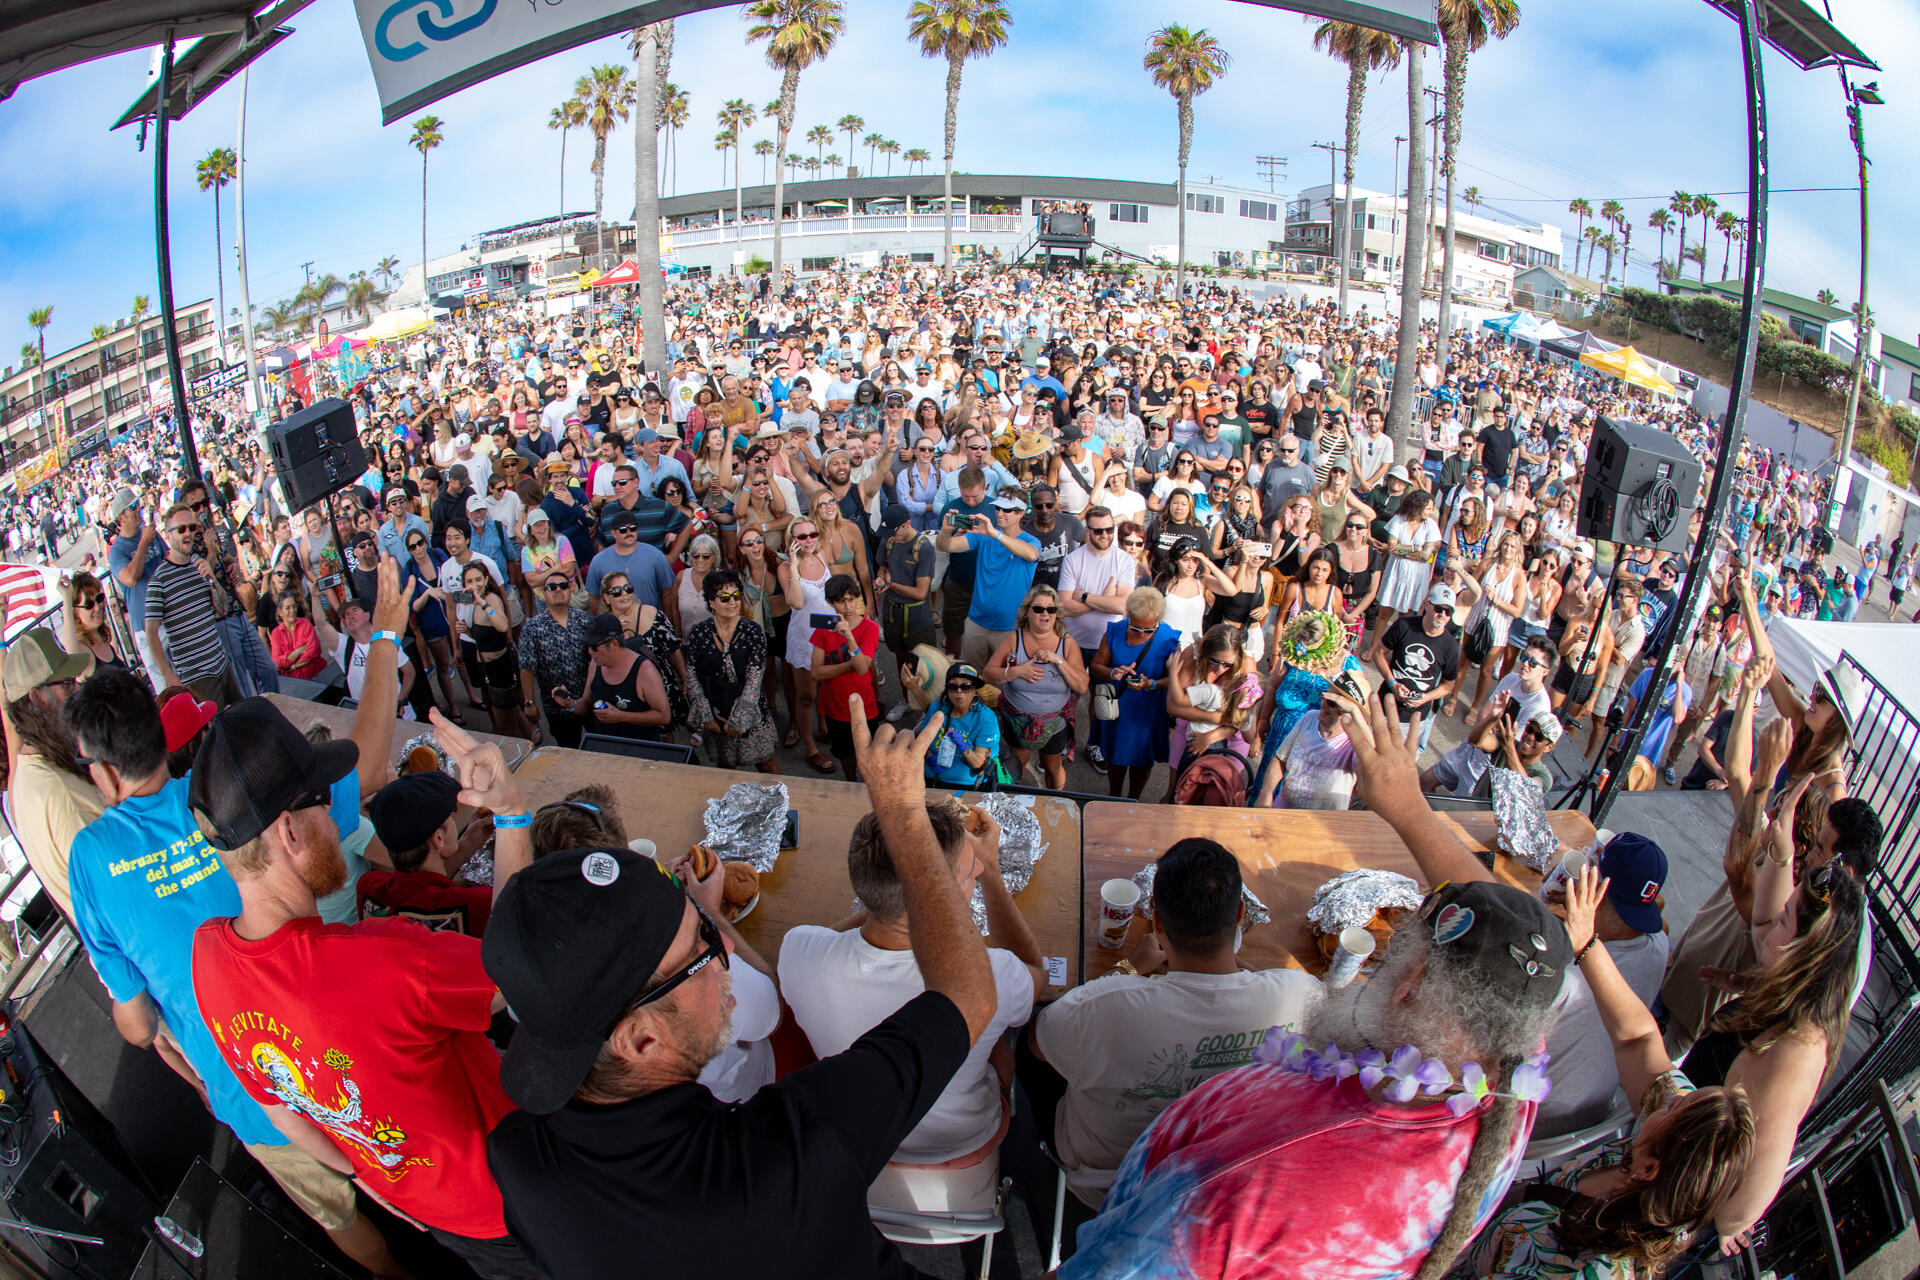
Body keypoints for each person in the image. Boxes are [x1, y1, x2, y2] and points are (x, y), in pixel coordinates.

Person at [1062, 688, 1571, 1280]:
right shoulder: (1512, 1067)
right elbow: (1504, 931)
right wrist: (1406, 808)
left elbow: (1110, 1268)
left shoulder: (1250, 1176)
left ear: (1408, 982)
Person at [483, 701, 1001, 1280]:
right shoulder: (788, 1149)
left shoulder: (519, 1158)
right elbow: (967, 998)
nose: (726, 950)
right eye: (703, 948)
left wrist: (510, 819)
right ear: (640, 1038)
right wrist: (904, 815)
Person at [64, 610, 409, 1278]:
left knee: (340, 1216)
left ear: (102, 772)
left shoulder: (91, 859)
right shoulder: (220, 793)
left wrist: (150, 1023)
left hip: (247, 1090)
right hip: (333, 1040)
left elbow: (136, 1025)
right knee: (398, 1168)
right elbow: (363, 765)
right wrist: (385, 636)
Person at [188, 699, 542, 1279]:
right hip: (509, 1195)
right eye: (324, 801)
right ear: (289, 832)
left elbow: (284, 1114)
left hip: (425, 1211)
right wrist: (511, 815)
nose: (337, 816)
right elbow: (515, 971)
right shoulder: (383, 957)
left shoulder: (207, 960)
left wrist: (369, 1177)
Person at [1459, 862, 1756, 1280]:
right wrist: (1587, 943)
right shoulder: (1661, 1151)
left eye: (1672, 1109)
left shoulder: (1588, 1270)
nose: (1669, 1096)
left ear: (1650, 1170)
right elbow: (1638, 1039)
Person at [1022, 837, 1321, 1209]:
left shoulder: (1100, 1008)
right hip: (1218, 1186)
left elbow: (1037, 1040)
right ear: (1241, 915)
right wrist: (1242, 969)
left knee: (1033, 1045)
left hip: (1109, 1189)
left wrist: (1129, 969)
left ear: (1157, 920)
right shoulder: (1300, 995)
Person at [780, 796, 1044, 1164]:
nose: (978, 874)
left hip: (854, 1134)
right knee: (1002, 1039)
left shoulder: (798, 951)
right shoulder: (993, 972)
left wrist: (881, 904)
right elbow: (1034, 972)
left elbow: (827, 937)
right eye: (972, 873)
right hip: (961, 1142)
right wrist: (993, 870)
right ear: (938, 900)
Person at [1533, 834, 1673, 1141]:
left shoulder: (1561, 977)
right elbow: (1659, 918)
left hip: (1532, 1123)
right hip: (1596, 1115)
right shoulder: (1658, 946)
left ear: (1596, 891)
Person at [2, 629, 100, 920]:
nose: (76, 692)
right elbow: (114, 887)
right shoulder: (62, 793)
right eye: (67, 684)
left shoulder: (28, 775)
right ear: (36, 697)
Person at [357, 769, 496, 935]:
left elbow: (420, 890)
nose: (453, 821)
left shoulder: (368, 888)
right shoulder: (479, 904)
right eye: (450, 817)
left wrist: (469, 842)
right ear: (438, 838)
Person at [987, 585, 1088, 790]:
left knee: (1052, 767)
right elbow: (988, 673)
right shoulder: (1014, 639)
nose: (1045, 614)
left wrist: (1058, 661)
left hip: (1054, 724)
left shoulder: (1066, 644)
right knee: (1017, 766)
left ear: (1057, 613)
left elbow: (1082, 685)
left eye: (1051, 609)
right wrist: (1016, 672)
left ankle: (1054, 801)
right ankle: (1016, 805)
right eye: (1038, 609)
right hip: (1017, 721)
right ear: (1027, 612)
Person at [684, 569, 780, 773]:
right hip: (715, 713)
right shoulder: (698, 632)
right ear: (711, 601)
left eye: (736, 596)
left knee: (767, 764)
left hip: (750, 710)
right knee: (726, 767)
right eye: (725, 597)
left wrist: (739, 720)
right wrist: (707, 717)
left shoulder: (752, 630)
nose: (733, 602)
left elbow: (755, 679)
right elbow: (691, 676)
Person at [146, 501, 241, 705]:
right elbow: (150, 632)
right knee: (215, 732)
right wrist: (167, 674)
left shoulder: (199, 564)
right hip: (196, 677)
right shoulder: (159, 580)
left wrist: (213, 579)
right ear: (168, 534)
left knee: (241, 718)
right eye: (181, 529)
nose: (188, 533)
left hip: (221, 662)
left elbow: (222, 607)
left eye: (192, 527)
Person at [1090, 587, 1181, 799]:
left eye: (1148, 630)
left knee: (1142, 758)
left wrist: (1151, 684)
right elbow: (1096, 666)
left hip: (1147, 710)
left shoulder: (1169, 640)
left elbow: (1175, 680)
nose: (1141, 634)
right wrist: (1113, 672)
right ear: (1128, 616)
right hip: (1119, 707)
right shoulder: (1113, 632)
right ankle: (1113, 796)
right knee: (1115, 754)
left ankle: (1133, 799)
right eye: (1135, 628)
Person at [938, 491, 1041, 671]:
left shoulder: (1029, 540)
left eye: (1007, 510)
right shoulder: (983, 535)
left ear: (1021, 513)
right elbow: (945, 546)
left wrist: (994, 534)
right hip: (976, 622)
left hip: (1010, 627)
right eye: (998, 508)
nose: (1000, 513)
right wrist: (946, 531)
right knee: (975, 677)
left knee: (1005, 679)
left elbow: (1031, 554)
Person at [1374, 585, 1461, 757]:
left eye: (1448, 612)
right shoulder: (1404, 625)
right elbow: (1378, 653)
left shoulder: (1450, 646)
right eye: (1439, 609)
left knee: (1399, 764)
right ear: (1428, 605)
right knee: (1370, 754)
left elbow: (1448, 685)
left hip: (1414, 717)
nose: (1442, 615)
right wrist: (1393, 683)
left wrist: (1425, 698)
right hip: (1385, 702)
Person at [810, 573, 880, 781]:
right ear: (830, 602)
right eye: (841, 601)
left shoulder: (870, 627)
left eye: (851, 599)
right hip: (835, 706)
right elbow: (816, 672)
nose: (848, 606)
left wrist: (849, 636)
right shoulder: (824, 626)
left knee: (870, 754)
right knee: (845, 754)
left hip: (865, 704)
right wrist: (849, 664)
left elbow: (861, 669)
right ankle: (851, 783)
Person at [1255, 686, 1359, 810]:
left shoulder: (1354, 741)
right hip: (1284, 811)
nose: (1323, 704)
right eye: (1324, 697)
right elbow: (1280, 759)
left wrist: (1356, 711)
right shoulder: (1309, 717)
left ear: (1347, 710)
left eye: (1331, 702)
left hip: (1323, 823)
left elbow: (1374, 768)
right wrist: (1265, 793)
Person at [575, 612, 671, 742]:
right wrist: (570, 704)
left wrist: (621, 716)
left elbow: (663, 716)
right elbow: (587, 704)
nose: (589, 651)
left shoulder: (644, 670)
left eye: (593, 647)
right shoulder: (595, 664)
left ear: (613, 644)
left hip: (639, 750)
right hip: (606, 748)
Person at [918, 662, 1000, 787]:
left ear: (974, 690)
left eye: (966, 686)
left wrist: (964, 748)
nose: (959, 691)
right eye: (952, 686)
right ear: (947, 690)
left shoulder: (986, 718)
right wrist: (929, 757)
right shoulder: (937, 707)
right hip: (931, 777)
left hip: (966, 784)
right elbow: (921, 742)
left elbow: (980, 767)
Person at [585, 508, 674, 612]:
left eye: (633, 528)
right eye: (623, 530)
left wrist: (666, 621)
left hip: (650, 622)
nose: (629, 532)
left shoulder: (655, 555)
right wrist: (602, 623)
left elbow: (668, 591)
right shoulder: (598, 561)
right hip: (616, 624)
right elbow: (594, 597)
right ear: (613, 533)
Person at [268, 592, 327, 679]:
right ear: (280, 612)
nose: (292, 610)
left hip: (316, 673)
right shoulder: (276, 633)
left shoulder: (305, 624)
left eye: (294, 606)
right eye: (288, 608)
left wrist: (293, 666)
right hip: (295, 682)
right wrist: (298, 651)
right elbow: (277, 662)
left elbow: (314, 650)